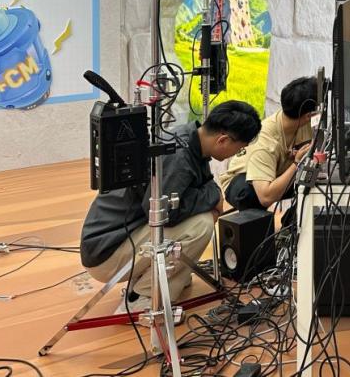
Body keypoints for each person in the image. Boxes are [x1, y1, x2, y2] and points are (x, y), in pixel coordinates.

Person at [80, 101, 261, 312]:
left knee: (199, 213)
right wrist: (213, 196)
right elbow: (164, 213)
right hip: (106, 253)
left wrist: (211, 194)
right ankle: (141, 297)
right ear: (223, 140)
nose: (236, 154)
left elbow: (205, 184)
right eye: (239, 149)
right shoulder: (178, 156)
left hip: (116, 238)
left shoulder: (191, 137)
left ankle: (161, 277)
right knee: (201, 224)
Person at [218, 77, 317, 211]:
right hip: (242, 180)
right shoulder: (266, 141)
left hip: (274, 172)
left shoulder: (301, 120)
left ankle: (292, 220)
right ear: (308, 115)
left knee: (312, 179)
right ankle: (259, 224)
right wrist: (296, 163)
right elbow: (265, 197)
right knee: (249, 194)